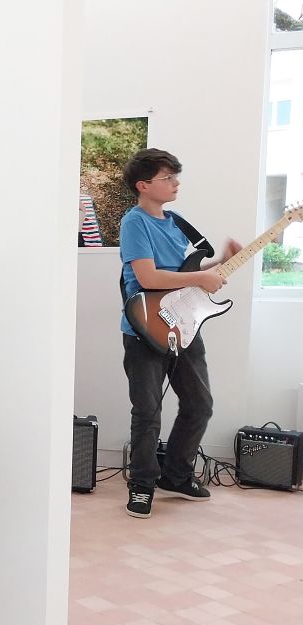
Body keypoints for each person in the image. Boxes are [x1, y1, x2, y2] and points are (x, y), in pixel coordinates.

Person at [118, 148, 242, 518]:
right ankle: (142, 485)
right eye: (167, 177)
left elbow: (185, 275)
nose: (176, 183)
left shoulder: (177, 223)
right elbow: (148, 277)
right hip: (145, 328)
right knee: (147, 411)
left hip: (184, 326)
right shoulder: (135, 222)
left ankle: (176, 476)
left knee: (199, 405)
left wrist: (221, 263)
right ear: (143, 185)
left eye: (176, 176)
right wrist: (201, 277)